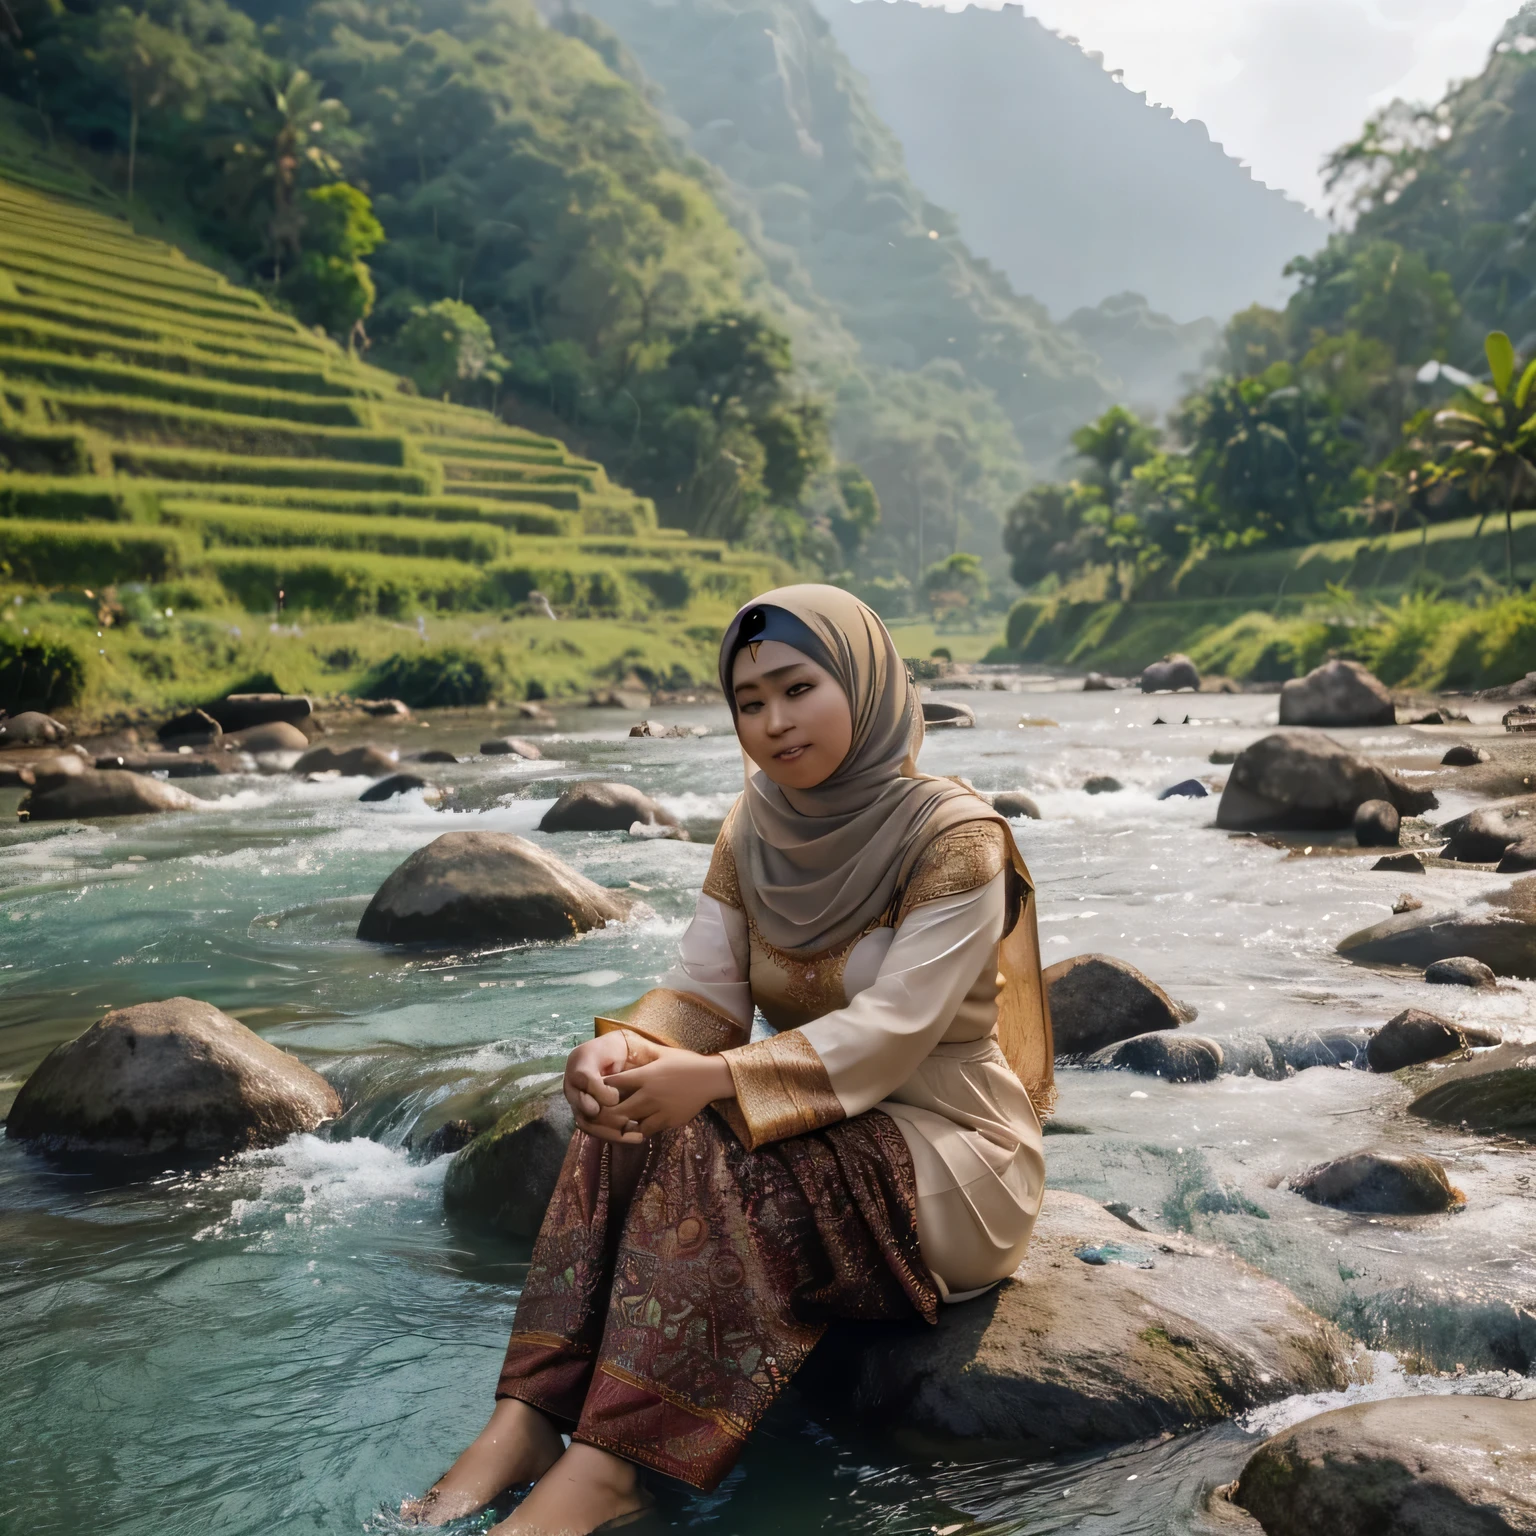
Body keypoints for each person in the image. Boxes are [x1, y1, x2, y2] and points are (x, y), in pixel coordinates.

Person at [405, 586, 1053, 1533]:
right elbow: (706, 994)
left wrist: (711, 1079)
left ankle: (611, 1471)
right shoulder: (754, 828)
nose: (775, 723)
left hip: (952, 1154)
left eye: (798, 688)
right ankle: (528, 1418)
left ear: (865, 683)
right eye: (750, 702)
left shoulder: (957, 838)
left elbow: (892, 1031)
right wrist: (628, 1048)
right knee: (623, 1106)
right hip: (823, 1129)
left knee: (708, 1136)